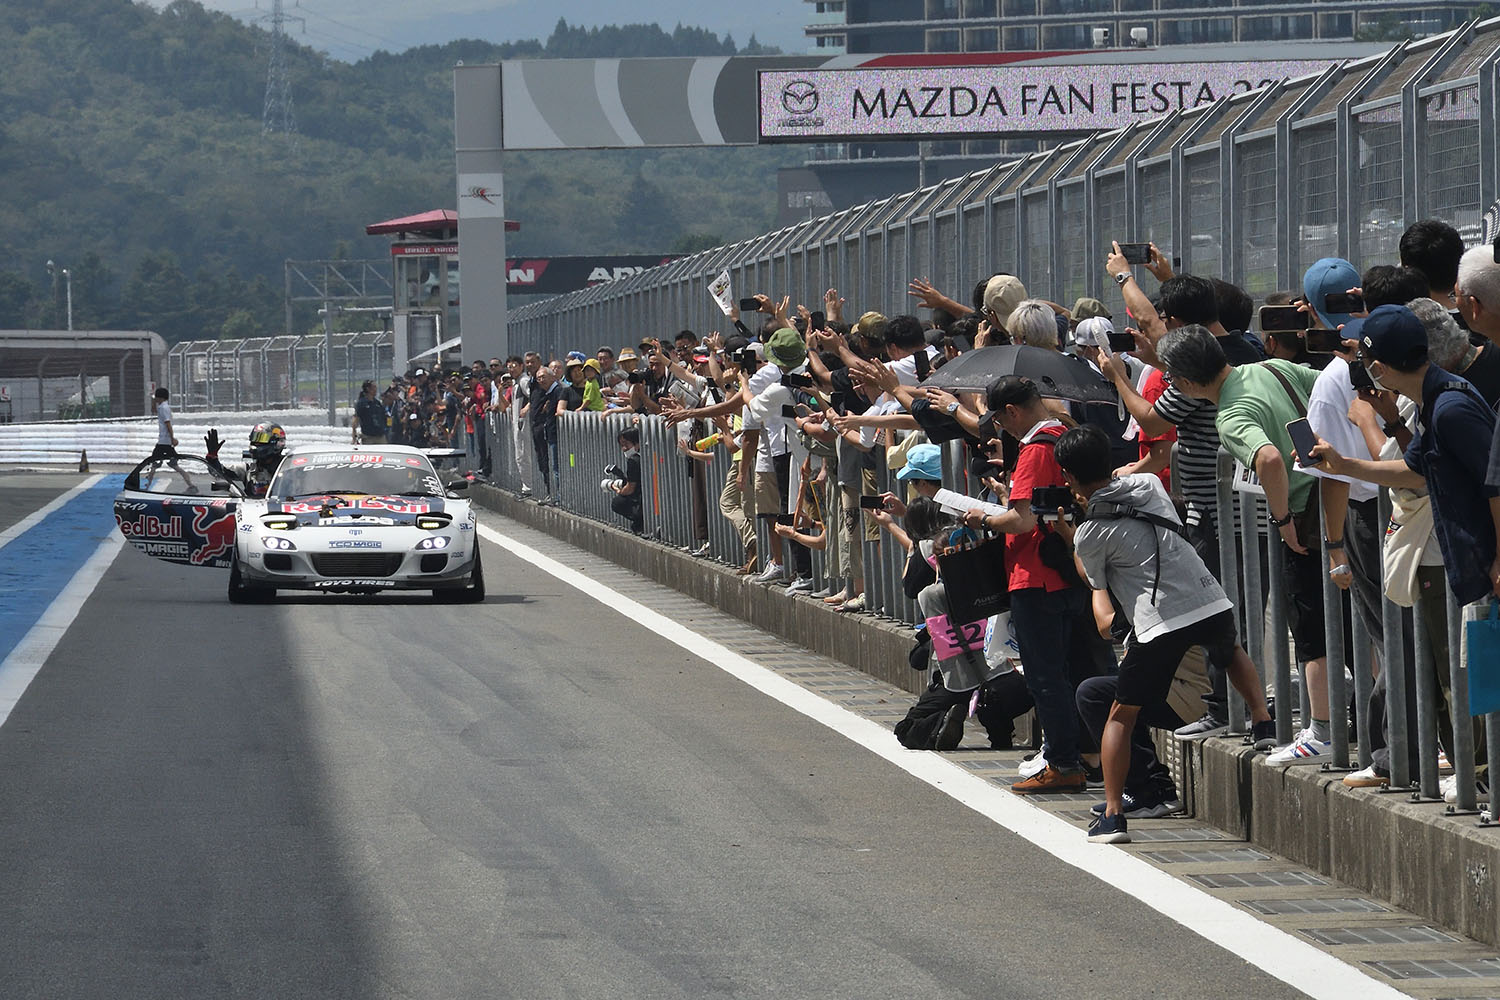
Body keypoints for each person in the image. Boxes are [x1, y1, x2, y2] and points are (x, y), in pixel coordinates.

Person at [1051, 425, 1274, 842]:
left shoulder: (1089, 532)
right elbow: (1139, 482)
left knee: (1120, 714)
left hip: (1161, 620)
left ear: (1067, 476)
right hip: (1207, 595)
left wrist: (1073, 539)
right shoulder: (1149, 483)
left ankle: (1115, 814)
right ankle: (1262, 721)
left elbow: (1095, 584)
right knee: (1229, 651)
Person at [1155, 323, 1331, 765]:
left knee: (1310, 633)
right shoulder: (1271, 368)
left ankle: (1323, 732)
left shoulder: (1229, 416)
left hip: (1306, 519)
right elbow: (1329, 394)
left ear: (1188, 383)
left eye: (1172, 379)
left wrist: (1283, 518)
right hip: (1340, 498)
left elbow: (1268, 458)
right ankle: (1379, 726)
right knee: (1357, 624)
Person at [959, 375, 1107, 794]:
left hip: (1034, 574)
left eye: (1002, 423)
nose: (1003, 432)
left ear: (1013, 412)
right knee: (1071, 670)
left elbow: (1021, 519)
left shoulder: (1037, 448)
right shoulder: (1066, 435)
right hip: (1065, 568)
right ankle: (1077, 754)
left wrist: (983, 516)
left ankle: (1062, 762)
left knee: (1045, 676)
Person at [149, 387, 196, 490]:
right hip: (164, 442)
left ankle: (147, 486)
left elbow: (168, 424)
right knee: (174, 465)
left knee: (154, 464)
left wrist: (172, 438)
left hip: (163, 442)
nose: (155, 398)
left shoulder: (164, 408)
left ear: (160, 397)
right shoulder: (162, 406)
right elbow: (153, 411)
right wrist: (153, 401)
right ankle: (190, 484)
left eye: (156, 397)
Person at [607, 427, 644, 533]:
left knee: (617, 502)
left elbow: (630, 488)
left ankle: (640, 522)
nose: (624, 448)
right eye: (621, 445)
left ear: (637, 443)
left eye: (626, 444)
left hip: (640, 499)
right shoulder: (644, 456)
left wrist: (619, 490)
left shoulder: (633, 460)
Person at [352, 380, 387, 445]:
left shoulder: (377, 403)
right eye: (374, 387)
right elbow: (356, 418)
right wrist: (354, 436)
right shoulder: (362, 403)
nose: (376, 389)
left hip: (380, 436)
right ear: (368, 389)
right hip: (368, 437)